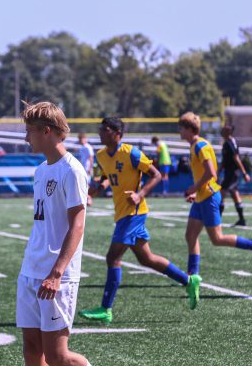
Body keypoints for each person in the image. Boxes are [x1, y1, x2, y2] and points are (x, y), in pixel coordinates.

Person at [79, 117, 200, 325]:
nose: (100, 133)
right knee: (147, 259)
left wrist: (140, 194)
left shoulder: (131, 153)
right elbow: (106, 178)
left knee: (112, 258)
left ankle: (106, 309)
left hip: (134, 212)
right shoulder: (101, 155)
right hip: (122, 212)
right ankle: (189, 281)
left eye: (104, 129)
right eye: (100, 129)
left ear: (117, 133)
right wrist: (92, 192)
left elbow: (156, 175)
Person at [17, 101, 92, 366]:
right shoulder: (40, 170)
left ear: (46, 131)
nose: (26, 138)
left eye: (30, 131)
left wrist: (56, 273)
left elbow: (78, 225)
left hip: (56, 275)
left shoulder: (71, 170)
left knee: (57, 356)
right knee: (32, 350)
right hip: (31, 270)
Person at [178, 112, 252, 278]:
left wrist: (194, 188)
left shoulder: (200, 146)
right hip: (202, 196)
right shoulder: (194, 145)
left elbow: (211, 173)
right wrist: (196, 192)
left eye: (181, 127)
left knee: (217, 239)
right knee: (190, 235)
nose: (179, 130)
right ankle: (193, 275)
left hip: (209, 196)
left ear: (189, 129)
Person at [218, 126, 250, 226]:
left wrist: (244, 173)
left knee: (222, 193)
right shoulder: (226, 143)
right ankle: (242, 219)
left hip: (232, 173)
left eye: (223, 130)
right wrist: (217, 172)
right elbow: (224, 161)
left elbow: (236, 158)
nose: (221, 131)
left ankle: (217, 220)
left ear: (228, 132)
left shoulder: (230, 143)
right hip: (229, 172)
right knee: (234, 194)